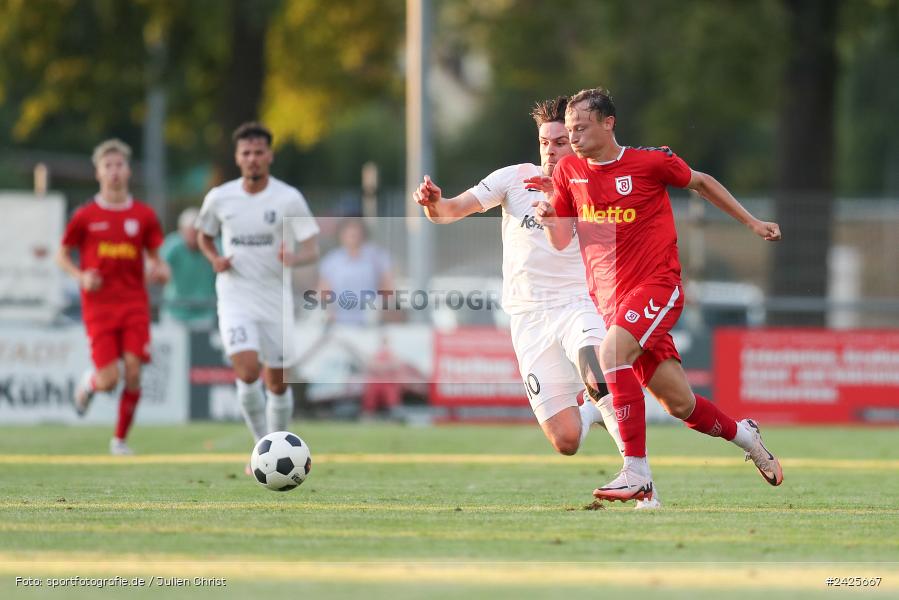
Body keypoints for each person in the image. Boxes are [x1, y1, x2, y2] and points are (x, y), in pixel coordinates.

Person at [529, 87, 784, 502]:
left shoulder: (650, 162)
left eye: (581, 128)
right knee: (681, 405)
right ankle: (747, 437)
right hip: (613, 305)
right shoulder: (569, 172)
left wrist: (752, 222)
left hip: (657, 287)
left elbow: (702, 182)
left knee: (610, 354)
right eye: (569, 130)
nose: (572, 138)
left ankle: (636, 473)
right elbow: (560, 240)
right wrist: (548, 217)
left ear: (608, 123)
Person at [414, 96, 661, 509]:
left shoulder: (593, 185)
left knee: (596, 372)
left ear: (577, 142)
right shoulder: (513, 178)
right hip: (528, 317)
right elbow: (449, 212)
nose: (551, 151)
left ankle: (642, 483)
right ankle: (592, 412)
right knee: (566, 440)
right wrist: (433, 203)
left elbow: (616, 241)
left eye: (561, 142)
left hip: (579, 303)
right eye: (545, 143)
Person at [197, 122, 320, 464]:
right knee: (248, 370)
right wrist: (215, 258)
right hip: (235, 297)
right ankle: (261, 449)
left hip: (275, 299)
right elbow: (204, 236)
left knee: (277, 383)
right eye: (246, 153)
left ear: (270, 156)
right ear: (238, 157)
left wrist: (295, 257)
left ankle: (278, 445)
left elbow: (312, 246)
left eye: (258, 152)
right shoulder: (220, 198)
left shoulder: (288, 198)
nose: (252, 158)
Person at [56, 139, 170, 455]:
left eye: (119, 165)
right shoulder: (85, 215)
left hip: (134, 303)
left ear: (129, 170)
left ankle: (119, 441)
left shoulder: (144, 215)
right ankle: (90, 384)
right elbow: (61, 255)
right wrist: (81, 276)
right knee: (109, 379)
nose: (114, 171)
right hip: (99, 307)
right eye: (108, 166)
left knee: (133, 372)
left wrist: (160, 270)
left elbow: (156, 260)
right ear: (98, 173)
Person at [318, 218, 393, 325]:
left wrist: (381, 308)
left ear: (363, 235)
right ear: (341, 236)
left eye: (356, 234)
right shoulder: (331, 261)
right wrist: (328, 312)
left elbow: (387, 287)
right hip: (340, 320)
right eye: (349, 234)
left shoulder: (377, 257)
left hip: (371, 319)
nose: (352, 238)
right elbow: (324, 291)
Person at [160, 207, 217, 328]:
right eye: (189, 232)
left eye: (195, 232)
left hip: (205, 312)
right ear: (181, 231)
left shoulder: (214, 246)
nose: (192, 236)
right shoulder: (172, 245)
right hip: (174, 311)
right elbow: (159, 266)